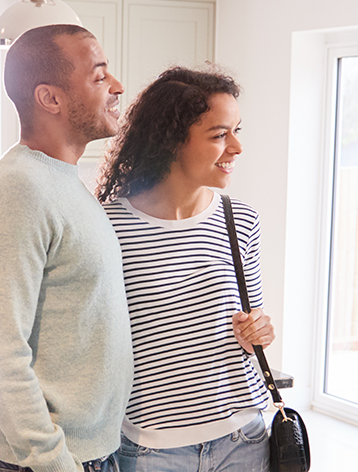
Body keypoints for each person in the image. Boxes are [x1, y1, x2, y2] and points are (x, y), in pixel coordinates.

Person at [0, 24, 131, 472]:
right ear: (50, 98)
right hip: (56, 459)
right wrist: (54, 461)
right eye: (99, 76)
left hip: (90, 450)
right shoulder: (17, 191)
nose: (117, 86)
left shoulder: (62, 181)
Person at [95, 66, 277, 472]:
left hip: (244, 440)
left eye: (236, 131)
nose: (237, 147)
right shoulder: (106, 225)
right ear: (172, 139)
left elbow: (251, 326)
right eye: (219, 135)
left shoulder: (240, 219)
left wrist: (258, 332)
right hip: (151, 449)